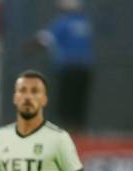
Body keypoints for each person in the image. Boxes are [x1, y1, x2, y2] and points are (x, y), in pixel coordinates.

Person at [35, 0, 94, 131]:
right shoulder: (84, 23)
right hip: (85, 67)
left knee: (66, 99)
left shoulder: (63, 22)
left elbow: (45, 39)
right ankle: (79, 127)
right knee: (80, 99)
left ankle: (67, 128)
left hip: (68, 67)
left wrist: (30, 46)